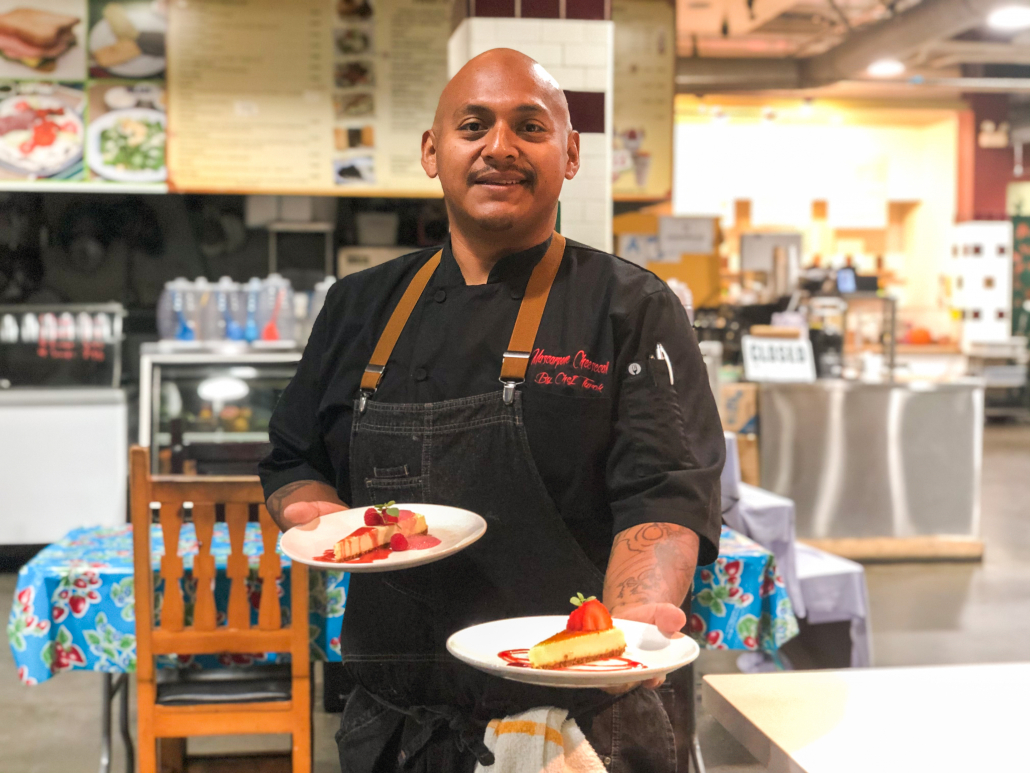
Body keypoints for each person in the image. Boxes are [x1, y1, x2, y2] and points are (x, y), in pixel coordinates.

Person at [260, 48, 724, 773]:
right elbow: (293, 458)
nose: (499, 147)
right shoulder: (359, 305)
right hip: (393, 725)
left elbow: (664, 492)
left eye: (529, 127)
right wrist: (318, 518)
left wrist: (629, 626)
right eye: (473, 125)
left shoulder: (630, 307)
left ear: (569, 154)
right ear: (432, 150)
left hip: (578, 725)